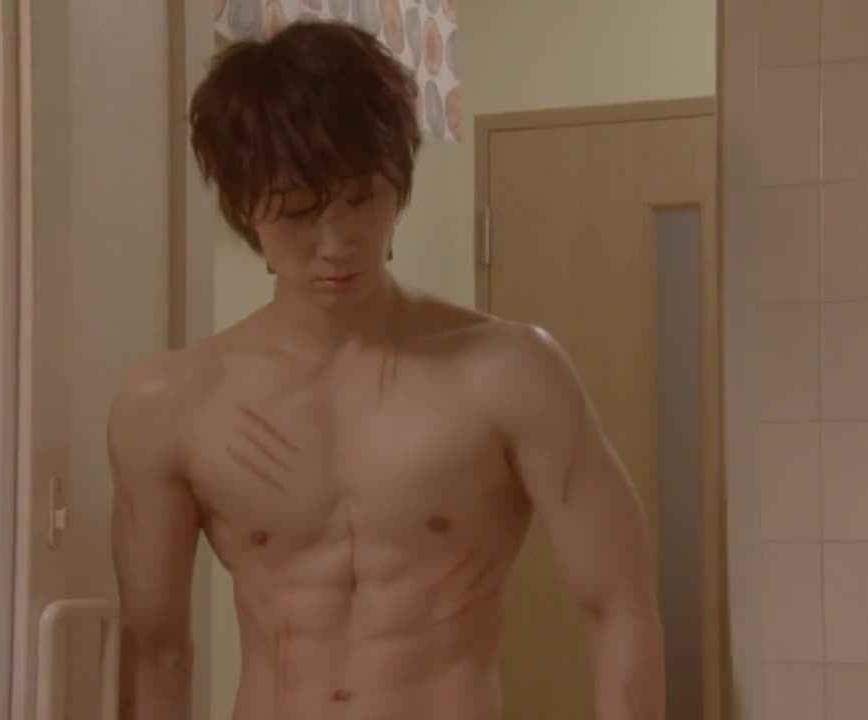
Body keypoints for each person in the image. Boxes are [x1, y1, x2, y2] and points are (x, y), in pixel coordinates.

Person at [108, 19, 664, 720]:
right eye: (297, 213)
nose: (337, 243)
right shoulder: (170, 404)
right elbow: (156, 650)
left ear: (397, 185)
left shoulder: (511, 373)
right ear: (246, 209)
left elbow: (620, 603)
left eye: (361, 199)